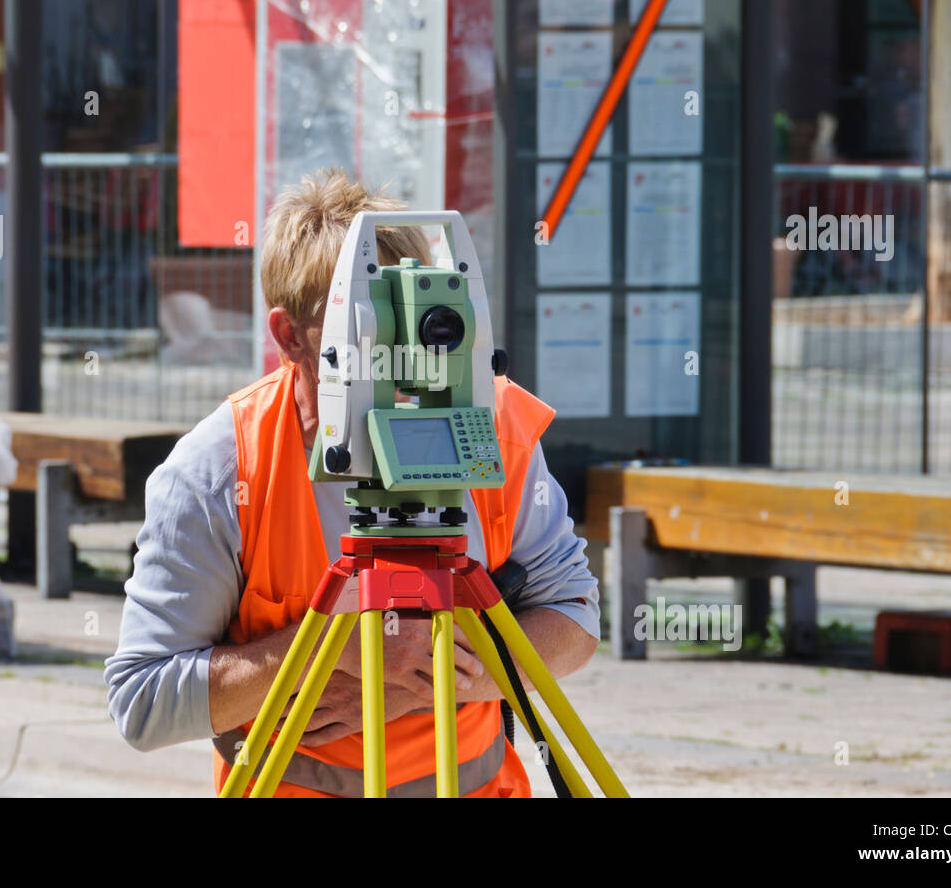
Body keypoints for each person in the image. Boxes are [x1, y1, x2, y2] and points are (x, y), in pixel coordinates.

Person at [106, 167, 600, 797]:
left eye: (415, 324)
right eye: (371, 329)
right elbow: (142, 704)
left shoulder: (493, 428)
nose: (403, 361)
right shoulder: (220, 470)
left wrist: (429, 679)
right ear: (289, 336)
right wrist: (327, 652)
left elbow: (574, 617)